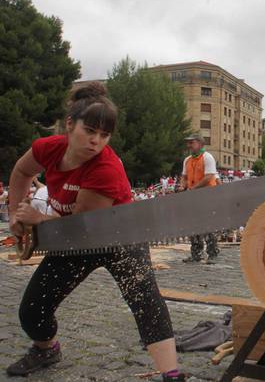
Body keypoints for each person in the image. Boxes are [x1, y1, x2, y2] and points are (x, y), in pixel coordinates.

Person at [6, 82, 185, 381]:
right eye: (89, 131)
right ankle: (46, 348)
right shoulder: (48, 148)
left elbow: (81, 223)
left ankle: (172, 373)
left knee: (144, 299)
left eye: (104, 135)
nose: (96, 142)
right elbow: (22, 172)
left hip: (119, 238)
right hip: (73, 237)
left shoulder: (106, 169)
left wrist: (38, 217)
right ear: (69, 124)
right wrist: (14, 214)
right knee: (32, 310)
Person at [178, 133, 219, 264]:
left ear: (201, 144)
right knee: (192, 225)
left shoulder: (208, 158)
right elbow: (184, 176)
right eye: (188, 143)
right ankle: (196, 254)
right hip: (193, 196)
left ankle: (212, 253)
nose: (189, 145)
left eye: (192, 142)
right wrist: (182, 185)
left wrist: (193, 188)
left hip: (207, 195)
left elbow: (209, 177)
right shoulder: (187, 160)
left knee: (208, 225)